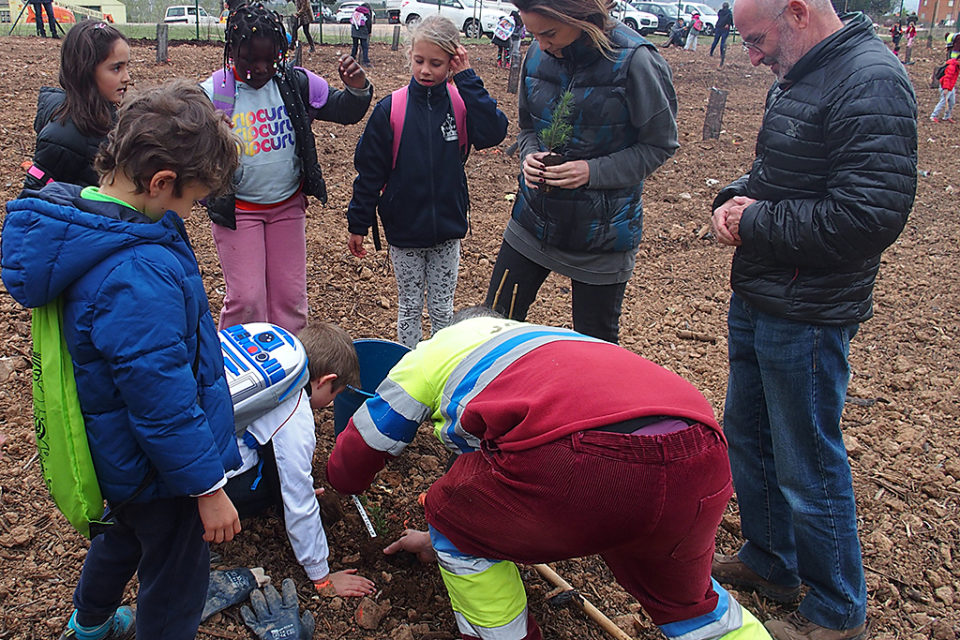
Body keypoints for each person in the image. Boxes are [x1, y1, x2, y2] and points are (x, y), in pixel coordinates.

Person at [326, 309, 772, 640]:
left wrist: (339, 481)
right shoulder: (555, 339)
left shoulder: (434, 353)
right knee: (688, 601)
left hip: (583, 459)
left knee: (448, 514)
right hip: (699, 451)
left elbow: (369, 438)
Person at [2, 80, 244, 640]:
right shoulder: (136, 273)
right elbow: (161, 399)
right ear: (161, 183)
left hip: (117, 456)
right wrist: (206, 489)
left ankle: (89, 625)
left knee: (122, 537)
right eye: (192, 199)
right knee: (177, 575)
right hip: (161, 469)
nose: (192, 211)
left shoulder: (92, 226)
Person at [709, 0, 917, 638]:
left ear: (797, 11)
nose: (752, 55)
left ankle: (835, 610)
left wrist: (756, 222)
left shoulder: (871, 81)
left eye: (757, 38)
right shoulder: (806, 73)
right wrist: (734, 196)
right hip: (765, 292)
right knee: (747, 434)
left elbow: (868, 217)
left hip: (809, 308)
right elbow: (784, 175)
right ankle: (772, 560)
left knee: (806, 459)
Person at [483, 0, 678, 344]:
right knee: (493, 327)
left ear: (577, 16)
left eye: (550, 33)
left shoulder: (635, 60)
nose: (540, 44)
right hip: (532, 221)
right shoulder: (537, 55)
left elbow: (659, 145)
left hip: (601, 236)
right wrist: (529, 155)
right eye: (533, 34)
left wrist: (591, 172)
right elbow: (528, 129)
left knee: (597, 348)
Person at [201, 2, 372, 335]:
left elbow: (345, 110)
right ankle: (240, 368)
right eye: (250, 59)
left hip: (286, 207)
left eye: (271, 58)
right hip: (238, 211)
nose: (261, 68)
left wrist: (357, 88)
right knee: (247, 299)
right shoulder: (214, 93)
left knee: (290, 300)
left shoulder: (295, 83)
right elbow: (185, 141)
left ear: (282, 51)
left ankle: (290, 370)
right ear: (231, 50)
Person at [346, 16, 508, 348]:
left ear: (452, 60)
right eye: (419, 61)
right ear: (410, 58)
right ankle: (408, 369)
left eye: (436, 63)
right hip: (404, 231)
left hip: (447, 229)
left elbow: (493, 133)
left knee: (442, 310)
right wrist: (358, 223)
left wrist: (466, 78)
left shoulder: (462, 103)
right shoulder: (391, 109)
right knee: (408, 308)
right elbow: (370, 174)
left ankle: (440, 371)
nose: (425, 70)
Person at [224, 322, 376, 597]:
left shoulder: (273, 350)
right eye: (335, 394)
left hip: (186, 448)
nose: (330, 404)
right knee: (285, 485)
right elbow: (297, 498)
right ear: (325, 380)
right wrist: (322, 576)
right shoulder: (294, 412)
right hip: (207, 483)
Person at [24, 21, 131, 193]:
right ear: (86, 70)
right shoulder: (63, 135)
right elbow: (33, 196)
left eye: (127, 66)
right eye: (117, 68)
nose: (127, 77)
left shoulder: (107, 114)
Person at [930, 55, 958, 122]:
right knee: (942, 101)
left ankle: (947, 116)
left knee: (952, 102)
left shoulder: (956, 66)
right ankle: (933, 116)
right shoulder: (952, 67)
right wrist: (945, 88)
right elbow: (947, 78)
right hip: (946, 86)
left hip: (951, 86)